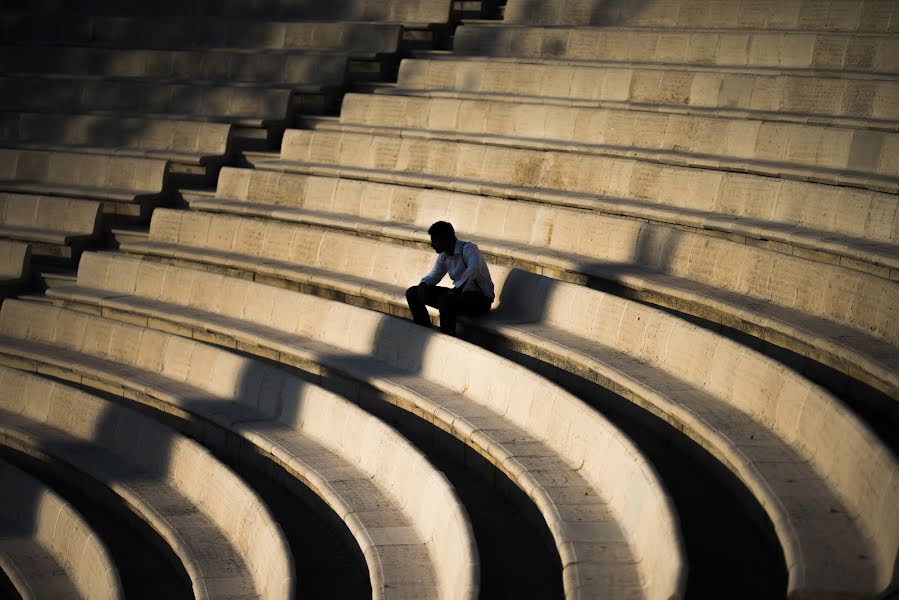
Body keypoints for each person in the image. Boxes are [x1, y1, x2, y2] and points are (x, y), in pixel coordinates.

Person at [406, 221, 494, 336]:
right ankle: (423, 331)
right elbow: (435, 274)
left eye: (435, 240)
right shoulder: (444, 255)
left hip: (480, 300)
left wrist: (456, 291)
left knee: (446, 300)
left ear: (447, 238)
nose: (432, 244)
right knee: (413, 292)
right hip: (460, 296)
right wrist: (424, 284)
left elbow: (474, 269)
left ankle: (447, 336)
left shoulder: (468, 248)